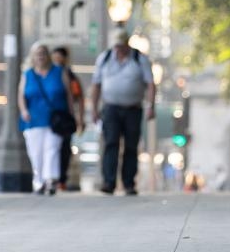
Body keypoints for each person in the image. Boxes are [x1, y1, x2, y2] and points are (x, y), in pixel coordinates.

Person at [91, 29, 155, 195]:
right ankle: (109, 182)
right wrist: (94, 108)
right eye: (116, 46)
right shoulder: (104, 59)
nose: (118, 49)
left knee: (131, 146)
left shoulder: (139, 59)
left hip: (133, 108)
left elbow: (150, 84)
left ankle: (129, 183)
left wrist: (150, 106)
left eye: (121, 45)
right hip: (110, 108)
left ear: (127, 44)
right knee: (111, 143)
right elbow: (96, 85)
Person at [19, 41, 78, 195]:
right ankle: (38, 181)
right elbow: (21, 96)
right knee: (36, 152)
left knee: (52, 149)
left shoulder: (59, 71)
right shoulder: (28, 74)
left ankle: (51, 180)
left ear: (48, 56)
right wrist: (24, 110)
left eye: (43, 53)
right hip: (33, 119)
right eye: (37, 54)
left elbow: (69, 95)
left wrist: (72, 115)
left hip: (56, 119)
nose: (41, 57)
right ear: (32, 57)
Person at [51, 45, 85, 190]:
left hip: (65, 117)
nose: (57, 61)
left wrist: (80, 118)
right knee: (50, 148)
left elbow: (79, 98)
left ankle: (61, 179)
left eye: (60, 58)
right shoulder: (47, 74)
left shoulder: (71, 77)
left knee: (64, 148)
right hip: (49, 116)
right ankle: (50, 177)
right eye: (55, 58)